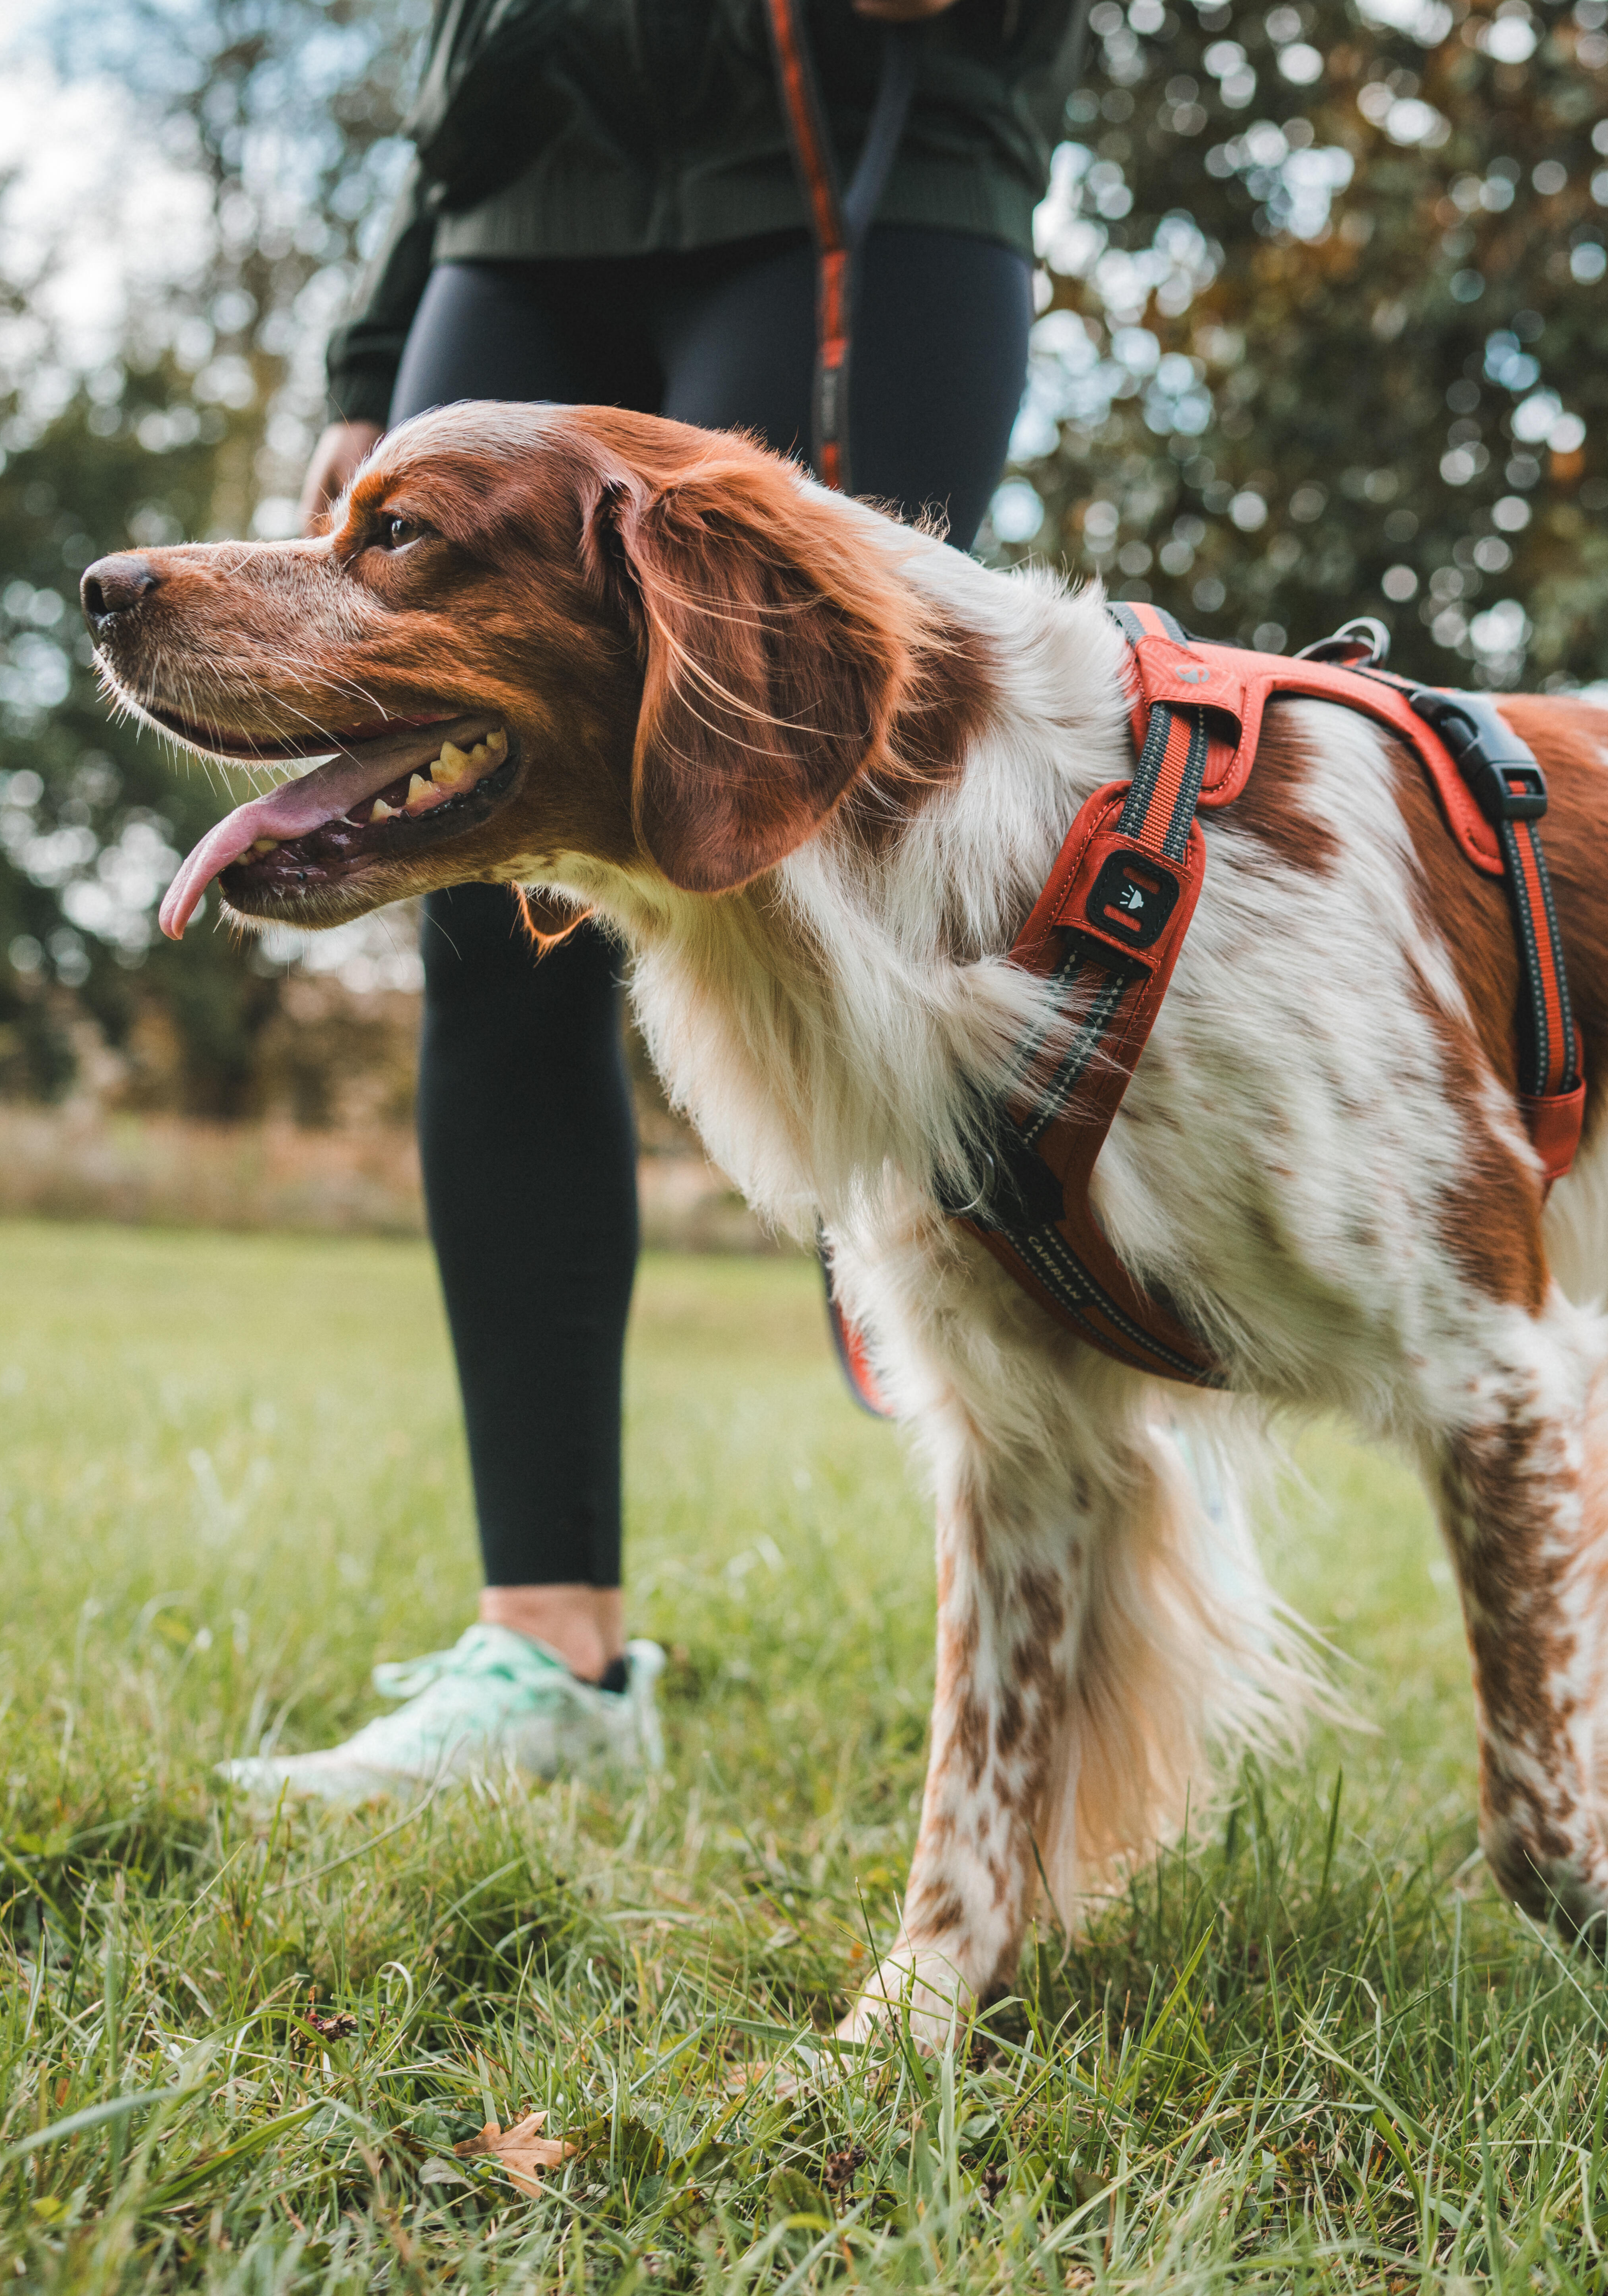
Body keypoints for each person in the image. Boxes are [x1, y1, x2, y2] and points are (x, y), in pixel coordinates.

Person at [217, 0, 1088, 1803]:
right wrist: (378, 353)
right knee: (471, 877)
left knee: (889, 848)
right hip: (521, 195)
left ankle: (1102, 1469)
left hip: (860, 157)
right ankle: (551, 1655)